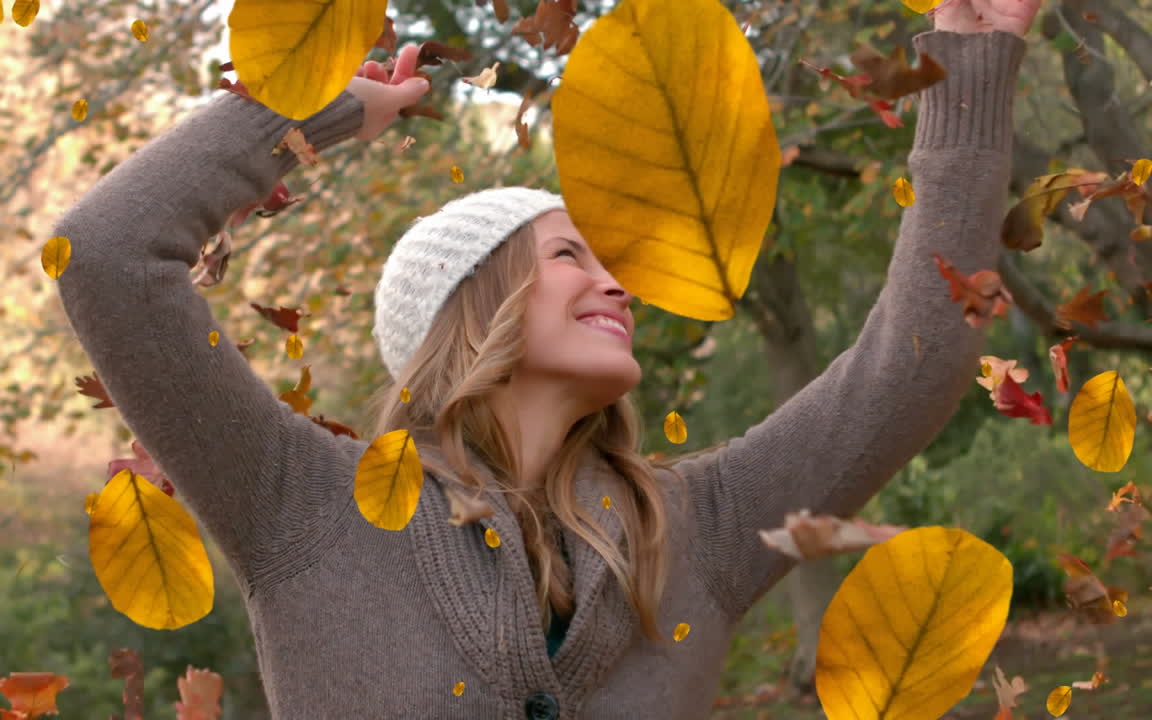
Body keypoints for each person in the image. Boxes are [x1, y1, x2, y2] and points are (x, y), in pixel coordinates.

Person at [53, 0, 1042, 716]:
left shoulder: (695, 528)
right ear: (470, 306)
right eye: (572, 254)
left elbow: (907, 366)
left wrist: (969, 61)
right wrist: (317, 113)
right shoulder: (299, 505)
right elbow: (105, 257)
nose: (617, 283)